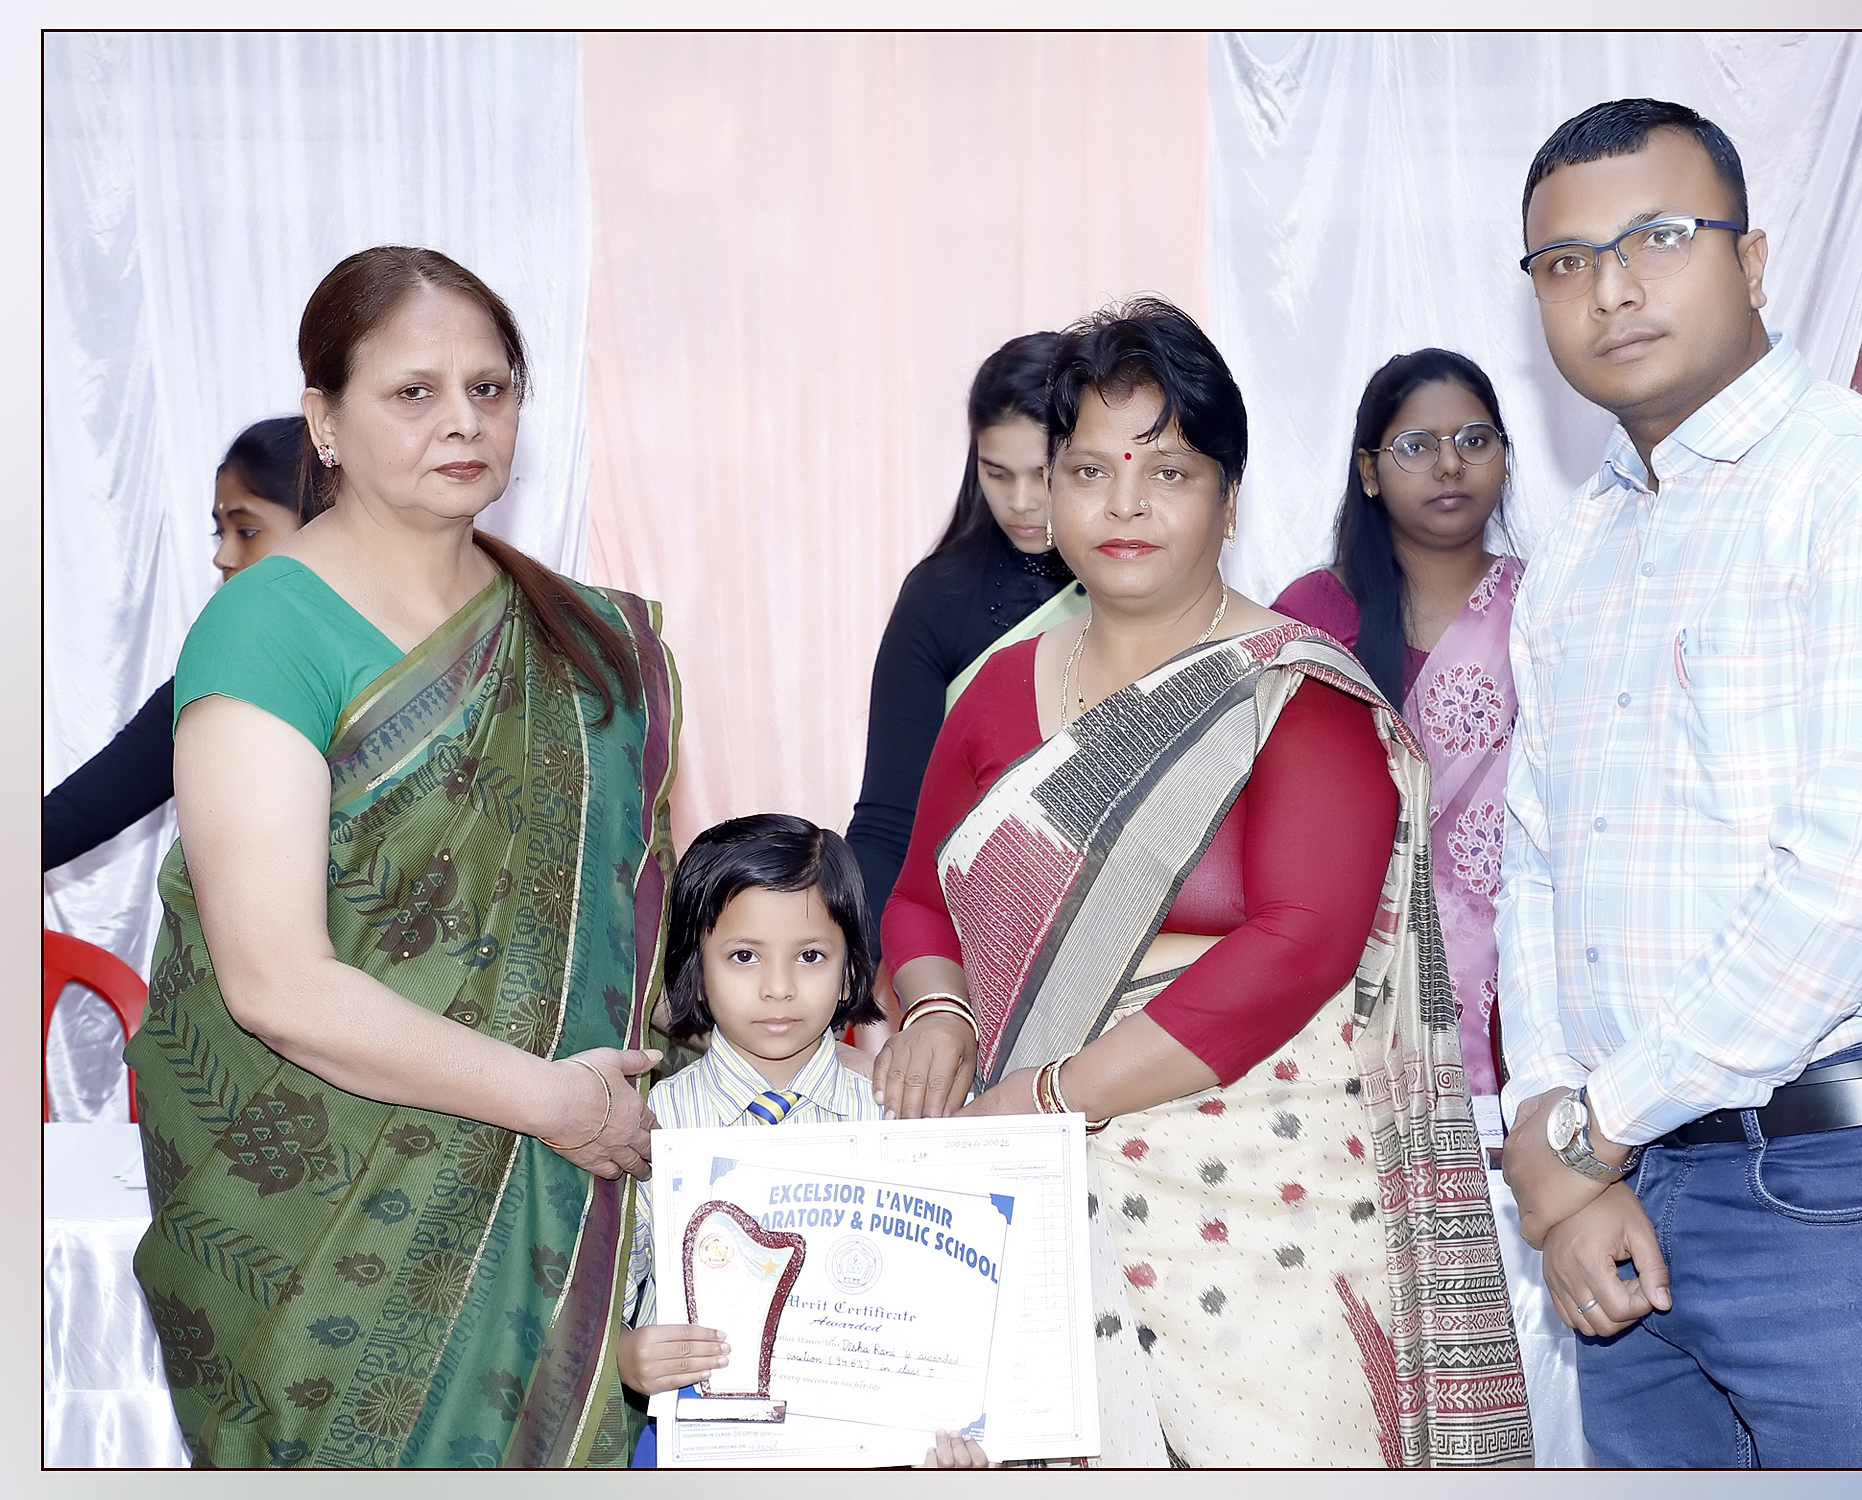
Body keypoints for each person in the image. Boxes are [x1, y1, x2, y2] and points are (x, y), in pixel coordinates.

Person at [873, 299, 1531, 1468]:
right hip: (1041, 1196)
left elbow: (1299, 946)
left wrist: (1052, 1096)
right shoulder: (997, 692)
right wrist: (936, 1009)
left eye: (1167, 471)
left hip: (1271, 1219)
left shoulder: (1294, 691)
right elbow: (922, 897)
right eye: (1090, 470)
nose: (1124, 505)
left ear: (1230, 500)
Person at [1494, 99, 1862, 1468]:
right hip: (1627, 1192)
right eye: (1566, 262)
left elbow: (1857, 887)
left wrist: (1592, 1128)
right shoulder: (1578, 549)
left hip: (1843, 1187)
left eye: (1660, 238)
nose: (1612, 288)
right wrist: (1558, 1133)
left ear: (1755, 258)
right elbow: (1541, 862)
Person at [125, 246, 679, 1468]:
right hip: (324, 1221)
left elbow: (633, 936)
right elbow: (274, 982)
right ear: (324, 421)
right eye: (413, 392)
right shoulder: (269, 624)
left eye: (492, 388)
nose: (464, 421)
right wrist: (551, 1101)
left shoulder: (588, 640)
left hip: (564, 1187)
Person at [616, 813, 986, 1469]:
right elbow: (617, 1287)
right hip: (704, 1450)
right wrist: (627, 1355)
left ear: (850, 972)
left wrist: (953, 1429)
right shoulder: (655, 1125)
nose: (779, 987)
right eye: (744, 956)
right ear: (695, 969)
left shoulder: (896, 1118)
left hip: (870, 1447)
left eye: (810, 956)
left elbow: (947, 1302)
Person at [1273, 349, 1524, 1104]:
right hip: (1346, 979)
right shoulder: (1312, 617)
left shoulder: (1544, 608)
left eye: (1475, 440)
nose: (1450, 464)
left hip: (1520, 981)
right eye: (1416, 446)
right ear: (1370, 471)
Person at [846, 333, 1082, 955]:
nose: (1021, 503)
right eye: (997, 473)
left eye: (1043, 475)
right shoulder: (938, 597)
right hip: (967, 934)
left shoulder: (1139, 585)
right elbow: (889, 826)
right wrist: (840, 967)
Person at [43, 416, 312, 869]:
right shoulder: (221, 678)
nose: (222, 557)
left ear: (323, 521)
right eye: (220, 532)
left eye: (246, 531)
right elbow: (71, 818)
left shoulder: (420, 650)